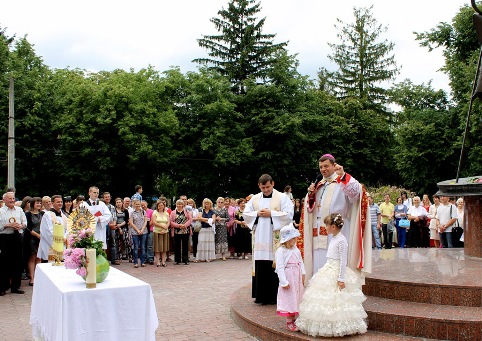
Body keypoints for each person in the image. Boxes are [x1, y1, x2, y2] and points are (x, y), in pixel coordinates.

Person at [302, 154, 371, 281]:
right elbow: (310, 208)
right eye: (321, 167)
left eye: (326, 166)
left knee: (335, 260)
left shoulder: (342, 181)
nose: (323, 169)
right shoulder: (319, 184)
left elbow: (356, 194)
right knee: (318, 261)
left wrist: (343, 175)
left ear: (334, 166)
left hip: (337, 228)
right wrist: (311, 197)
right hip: (318, 229)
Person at [296, 214, 367, 337]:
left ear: (333, 226)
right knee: (322, 298)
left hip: (337, 270)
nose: (325, 228)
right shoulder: (334, 238)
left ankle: (339, 326)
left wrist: (341, 278)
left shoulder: (342, 240)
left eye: (327, 225)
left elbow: (343, 261)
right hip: (329, 267)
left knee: (337, 300)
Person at [243, 174, 293, 305]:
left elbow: (289, 214)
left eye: (268, 187)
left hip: (274, 237)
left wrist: (272, 214)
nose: (266, 190)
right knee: (261, 264)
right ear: (259, 186)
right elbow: (246, 214)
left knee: (274, 264)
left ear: (273, 184)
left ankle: (273, 296)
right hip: (259, 237)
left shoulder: (282, 197)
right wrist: (257, 214)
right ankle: (261, 296)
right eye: (263, 187)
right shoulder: (255, 198)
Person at [275, 225, 305, 332]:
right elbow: (280, 267)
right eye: (293, 238)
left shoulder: (296, 249)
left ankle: (295, 319)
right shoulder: (281, 251)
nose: (295, 240)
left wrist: (303, 274)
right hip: (289, 278)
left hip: (296, 277)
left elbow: (300, 261)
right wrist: (284, 281)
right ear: (287, 239)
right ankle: (289, 321)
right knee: (289, 298)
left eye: (295, 238)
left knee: (296, 297)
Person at [0, 191, 28, 296]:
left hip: (17, 237)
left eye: (13, 198)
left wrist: (20, 226)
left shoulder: (19, 210)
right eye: (10, 198)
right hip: (5, 237)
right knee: (4, 263)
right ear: (4, 200)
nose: (12, 200)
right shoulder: (1, 211)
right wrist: (8, 225)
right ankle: (3, 287)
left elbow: (25, 222)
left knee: (18, 262)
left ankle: (16, 286)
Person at [37, 195, 68, 264]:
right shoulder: (47, 215)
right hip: (50, 247)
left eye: (61, 202)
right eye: (58, 202)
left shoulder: (64, 216)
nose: (60, 203)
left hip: (62, 246)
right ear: (52, 203)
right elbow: (48, 232)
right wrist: (58, 243)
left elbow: (67, 229)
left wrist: (65, 238)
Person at [25, 197, 43, 286]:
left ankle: (38, 276)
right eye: (37, 203)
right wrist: (37, 235)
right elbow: (27, 228)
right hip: (32, 238)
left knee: (39, 258)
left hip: (42, 238)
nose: (39, 204)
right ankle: (32, 278)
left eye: (40, 203)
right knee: (32, 258)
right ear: (33, 204)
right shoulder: (28, 214)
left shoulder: (42, 214)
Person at [170, 199, 192, 265]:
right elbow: (170, 221)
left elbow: (190, 219)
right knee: (177, 246)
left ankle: (185, 260)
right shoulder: (173, 212)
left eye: (180, 204)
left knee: (185, 245)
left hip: (185, 230)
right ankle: (177, 260)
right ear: (176, 205)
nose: (179, 205)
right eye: (178, 204)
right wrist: (178, 225)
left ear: (183, 205)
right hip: (177, 231)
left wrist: (185, 225)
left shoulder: (186, 211)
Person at [128, 198, 148, 268]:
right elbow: (131, 222)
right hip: (135, 232)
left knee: (143, 247)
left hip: (144, 231)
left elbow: (145, 221)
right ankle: (135, 262)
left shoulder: (143, 212)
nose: (137, 205)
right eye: (136, 204)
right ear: (133, 204)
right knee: (136, 247)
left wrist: (142, 230)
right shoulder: (132, 213)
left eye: (138, 204)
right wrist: (137, 230)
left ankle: (142, 262)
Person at [196, 198, 216, 262]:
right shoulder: (201, 210)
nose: (207, 205)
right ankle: (200, 257)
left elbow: (213, 221)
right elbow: (199, 218)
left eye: (208, 204)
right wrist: (208, 220)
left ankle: (209, 257)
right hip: (203, 229)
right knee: (201, 242)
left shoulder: (212, 212)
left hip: (210, 229)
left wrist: (204, 219)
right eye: (205, 204)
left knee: (209, 243)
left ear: (210, 205)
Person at [151, 199, 170, 267]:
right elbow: (154, 222)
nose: (161, 206)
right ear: (157, 206)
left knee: (164, 247)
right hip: (157, 232)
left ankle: (163, 261)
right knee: (157, 248)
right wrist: (162, 226)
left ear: (164, 206)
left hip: (165, 232)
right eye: (159, 205)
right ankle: (158, 261)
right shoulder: (155, 212)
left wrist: (165, 228)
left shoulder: (166, 213)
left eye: (162, 205)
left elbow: (168, 222)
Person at [103, 192, 120, 265]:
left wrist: (114, 224)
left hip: (112, 226)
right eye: (106, 197)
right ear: (103, 198)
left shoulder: (113, 207)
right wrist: (108, 224)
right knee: (103, 242)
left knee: (113, 242)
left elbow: (115, 217)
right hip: (104, 226)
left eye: (108, 197)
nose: (107, 198)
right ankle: (103, 259)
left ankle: (114, 259)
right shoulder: (101, 206)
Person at [114, 198, 130, 262]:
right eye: (117, 202)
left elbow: (126, 220)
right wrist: (119, 227)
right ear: (115, 203)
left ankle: (129, 256)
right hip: (116, 228)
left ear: (122, 203)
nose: (118, 203)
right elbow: (114, 219)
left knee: (126, 242)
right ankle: (118, 257)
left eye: (119, 202)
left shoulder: (125, 211)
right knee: (117, 243)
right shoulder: (114, 211)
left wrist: (121, 226)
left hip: (124, 227)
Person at [141, 200, 154, 265]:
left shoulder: (151, 211)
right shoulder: (140, 212)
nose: (143, 206)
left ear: (147, 204)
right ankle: (144, 258)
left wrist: (147, 225)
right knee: (144, 245)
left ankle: (150, 258)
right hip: (142, 231)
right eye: (141, 205)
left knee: (150, 245)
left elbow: (153, 220)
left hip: (150, 230)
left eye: (144, 204)